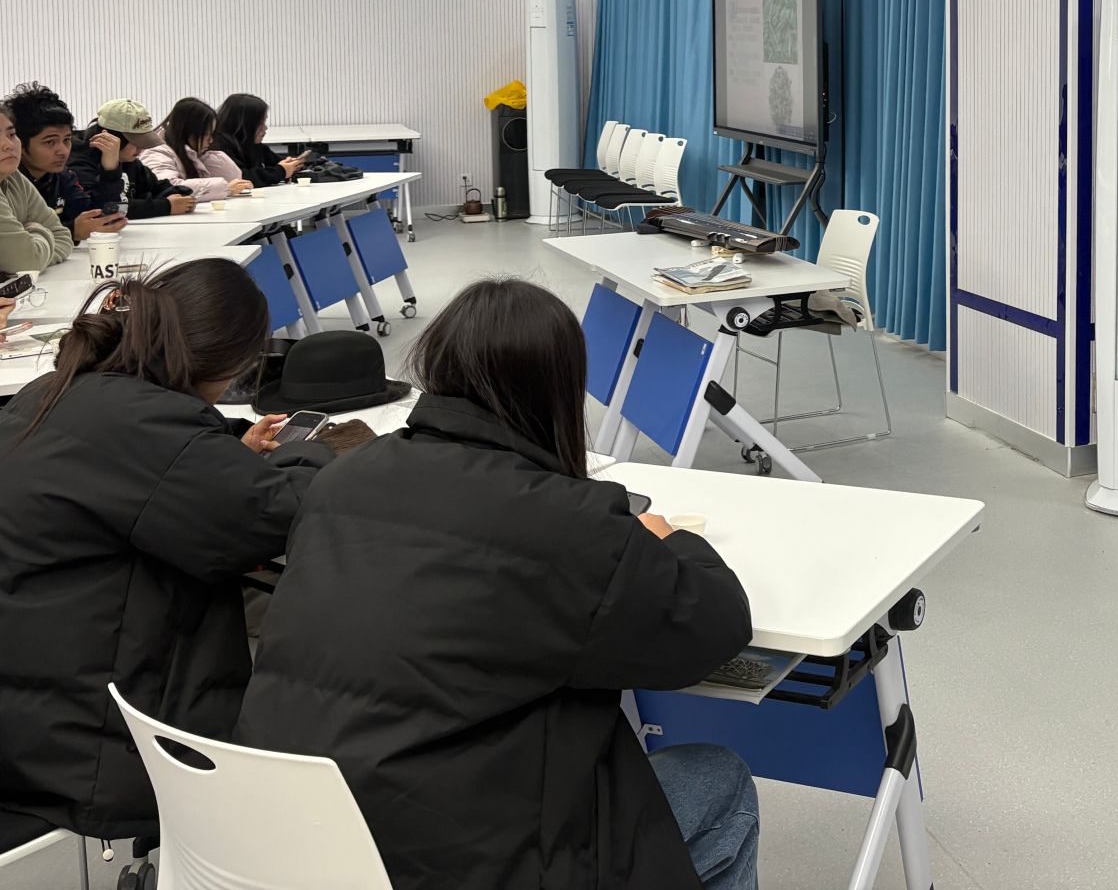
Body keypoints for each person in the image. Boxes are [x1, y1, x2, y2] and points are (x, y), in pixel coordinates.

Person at [237, 279, 759, 890]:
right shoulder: (570, 521)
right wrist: (669, 541)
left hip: (291, 840)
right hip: (448, 863)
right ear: (559, 386)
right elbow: (715, 628)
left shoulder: (342, 479)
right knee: (718, 780)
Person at [0, 260, 337, 843]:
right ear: (232, 364)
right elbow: (277, 516)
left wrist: (222, 453)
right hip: (94, 754)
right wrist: (310, 453)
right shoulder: (150, 426)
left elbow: (139, 477)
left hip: (27, 715)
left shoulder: (52, 392)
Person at [2, 82, 126, 242]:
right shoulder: (8, 181)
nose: (63, 151)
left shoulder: (62, 176)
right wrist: (72, 231)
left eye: (67, 139)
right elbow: (12, 243)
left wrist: (110, 170)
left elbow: (95, 216)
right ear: (21, 143)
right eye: (50, 142)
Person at [67, 99, 197, 220]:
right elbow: (100, 209)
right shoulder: (78, 162)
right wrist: (165, 206)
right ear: (110, 137)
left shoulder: (129, 160)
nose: (141, 148)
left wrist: (177, 196)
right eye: (135, 142)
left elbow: (158, 187)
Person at [0, 104, 74, 273]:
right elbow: (26, 261)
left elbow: (63, 237)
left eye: (11, 134)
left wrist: (35, 253)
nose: (8, 145)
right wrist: (37, 231)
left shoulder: (13, 177)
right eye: (50, 142)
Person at [138, 97, 252, 201]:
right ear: (188, 131)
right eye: (206, 134)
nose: (211, 140)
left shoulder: (193, 153)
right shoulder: (156, 152)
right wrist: (225, 188)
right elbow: (169, 187)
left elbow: (233, 178)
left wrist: (210, 157)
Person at [214, 93, 310, 187]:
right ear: (246, 124)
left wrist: (292, 165)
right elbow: (243, 178)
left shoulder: (251, 144)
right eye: (260, 123)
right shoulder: (219, 147)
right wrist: (282, 171)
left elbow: (275, 162)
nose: (265, 127)